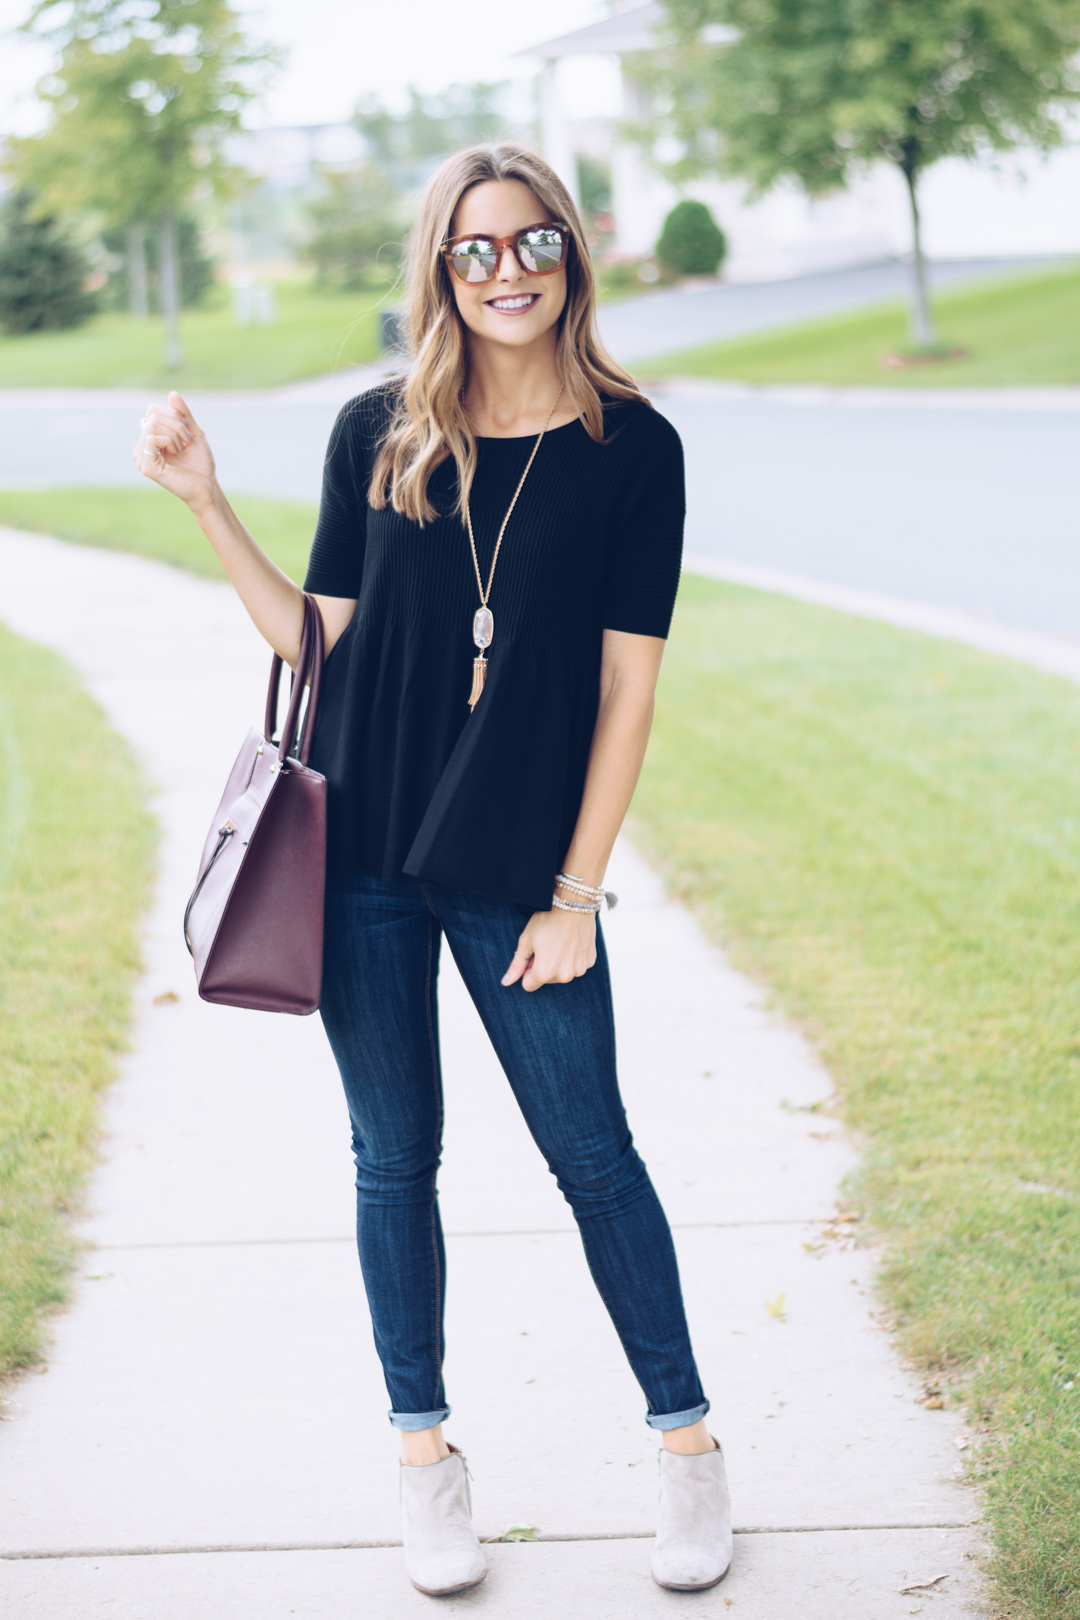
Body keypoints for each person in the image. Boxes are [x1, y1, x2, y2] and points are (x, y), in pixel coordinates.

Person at [133, 142, 731, 1598]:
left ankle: (690, 1452)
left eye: (533, 243)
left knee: (595, 1158)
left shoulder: (631, 451)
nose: (509, 269)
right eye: (477, 249)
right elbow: (316, 646)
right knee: (393, 1162)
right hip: (363, 863)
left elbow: (627, 693)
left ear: (571, 257)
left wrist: (578, 896)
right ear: (440, 269)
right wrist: (209, 503)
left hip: (520, 870)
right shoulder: (376, 433)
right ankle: (427, 1467)